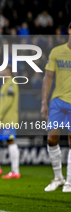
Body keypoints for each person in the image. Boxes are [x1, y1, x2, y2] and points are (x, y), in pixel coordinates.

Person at [41, 22, 71, 192]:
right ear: (69, 31)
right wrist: (44, 102)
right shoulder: (57, 52)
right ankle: (58, 177)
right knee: (52, 139)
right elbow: (48, 77)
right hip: (57, 102)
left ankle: (70, 181)